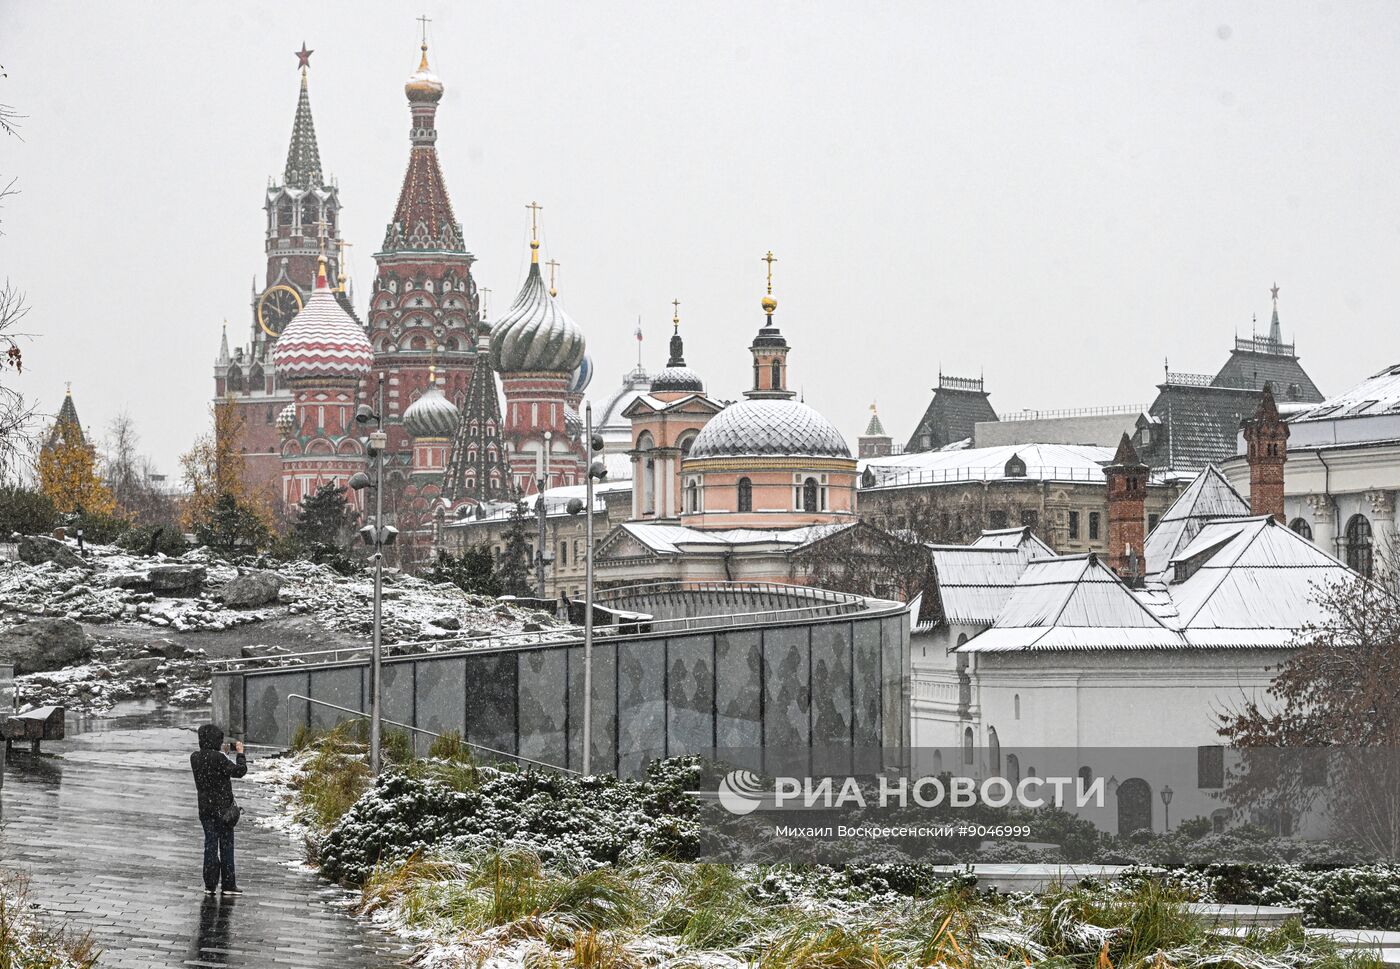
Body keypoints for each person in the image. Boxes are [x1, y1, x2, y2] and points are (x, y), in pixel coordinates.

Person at [190, 724, 246, 896]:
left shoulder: (195, 757)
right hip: (223, 810)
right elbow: (239, 771)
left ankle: (210, 885)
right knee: (226, 846)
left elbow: (213, 770)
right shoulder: (219, 759)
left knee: (210, 845)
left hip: (205, 809)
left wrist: (223, 755)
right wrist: (240, 754)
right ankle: (228, 885)